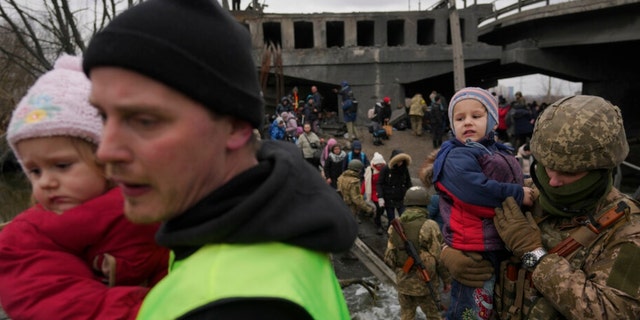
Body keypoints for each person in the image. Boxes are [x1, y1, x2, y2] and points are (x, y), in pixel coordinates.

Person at [82, 0, 358, 319]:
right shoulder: (286, 226)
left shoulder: (230, 305)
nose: (104, 151)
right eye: (103, 116)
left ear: (235, 127)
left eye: (145, 120)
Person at [0, 54, 169, 319]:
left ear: (110, 160)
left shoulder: (162, 213)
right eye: (34, 171)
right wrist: (173, 308)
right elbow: (66, 307)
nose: (46, 181)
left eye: (62, 165)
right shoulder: (23, 242)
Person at [431, 87, 535, 320]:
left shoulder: (494, 150)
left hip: (495, 241)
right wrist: (518, 194)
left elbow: (506, 177)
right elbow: (474, 193)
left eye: (476, 116)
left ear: (493, 121)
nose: (467, 122)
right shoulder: (458, 155)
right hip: (475, 248)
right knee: (472, 311)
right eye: (459, 118)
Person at [384, 186, 451, 320]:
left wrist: (402, 271)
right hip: (425, 284)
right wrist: (447, 280)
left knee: (407, 316)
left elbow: (389, 256)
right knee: (434, 316)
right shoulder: (430, 225)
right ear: (426, 202)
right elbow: (439, 258)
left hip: (403, 282)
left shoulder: (395, 226)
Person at [377, 149, 413, 229]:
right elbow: (380, 183)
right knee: (392, 220)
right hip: (389, 199)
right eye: (398, 161)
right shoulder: (386, 169)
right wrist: (380, 197)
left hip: (401, 198)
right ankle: (391, 235)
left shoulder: (404, 169)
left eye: (402, 161)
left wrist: (411, 194)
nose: (400, 163)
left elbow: (408, 182)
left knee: (404, 218)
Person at [337, 159, 374, 224]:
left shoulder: (341, 177)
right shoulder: (354, 181)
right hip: (350, 207)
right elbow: (356, 198)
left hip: (341, 204)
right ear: (358, 170)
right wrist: (368, 209)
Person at [362, 152, 387, 235]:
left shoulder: (386, 169)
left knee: (382, 208)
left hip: (383, 191)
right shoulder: (370, 170)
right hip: (374, 192)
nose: (379, 166)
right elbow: (366, 182)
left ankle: (377, 217)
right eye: (378, 164)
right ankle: (378, 223)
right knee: (380, 207)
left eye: (381, 164)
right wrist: (361, 192)